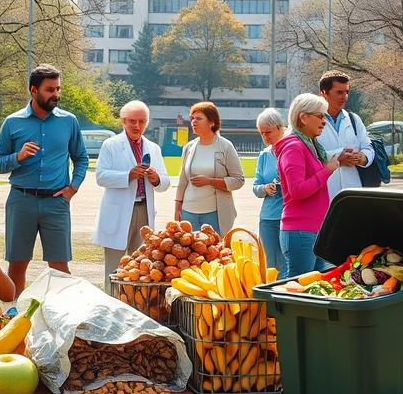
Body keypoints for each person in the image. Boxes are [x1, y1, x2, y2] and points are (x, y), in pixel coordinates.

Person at [0, 64, 89, 295]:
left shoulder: (69, 121)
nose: (55, 94)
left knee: (60, 265)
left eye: (57, 89)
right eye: (49, 89)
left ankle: (63, 317)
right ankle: (12, 316)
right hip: (21, 200)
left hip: (56, 203)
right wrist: (18, 156)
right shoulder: (13, 122)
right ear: (33, 90)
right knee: (17, 263)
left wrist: (72, 188)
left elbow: (81, 158)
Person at [92, 101, 171, 289]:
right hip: (118, 212)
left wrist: (155, 178)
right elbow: (101, 176)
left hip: (144, 210)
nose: (137, 126)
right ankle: (111, 304)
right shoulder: (110, 145)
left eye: (142, 121)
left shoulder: (153, 148)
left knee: (141, 265)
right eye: (132, 121)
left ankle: (135, 307)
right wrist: (128, 176)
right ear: (123, 121)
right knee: (114, 267)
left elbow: (166, 182)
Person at [272, 94, 340, 278]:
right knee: (300, 289)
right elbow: (297, 190)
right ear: (303, 117)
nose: (324, 121)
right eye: (320, 116)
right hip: (301, 230)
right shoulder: (294, 147)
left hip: (314, 230)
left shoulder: (310, 145)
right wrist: (327, 170)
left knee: (316, 287)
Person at [175, 101, 244, 235]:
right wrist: (177, 208)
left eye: (199, 119)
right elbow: (182, 180)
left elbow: (238, 180)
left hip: (214, 214)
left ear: (212, 122)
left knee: (214, 253)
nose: (194, 122)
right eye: (192, 118)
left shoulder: (225, 146)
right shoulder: (189, 147)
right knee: (189, 254)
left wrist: (210, 181)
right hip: (188, 213)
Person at [316, 70, 374, 199]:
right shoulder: (311, 119)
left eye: (347, 92)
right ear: (323, 93)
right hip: (323, 192)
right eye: (339, 92)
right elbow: (306, 154)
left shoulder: (354, 119)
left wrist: (362, 158)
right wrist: (338, 157)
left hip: (353, 191)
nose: (344, 97)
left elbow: (368, 147)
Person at [252, 108, 287, 273]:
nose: (265, 137)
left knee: (287, 264)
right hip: (268, 217)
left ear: (280, 128)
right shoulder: (264, 155)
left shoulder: (291, 150)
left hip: (288, 217)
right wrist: (265, 188)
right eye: (261, 133)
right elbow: (255, 186)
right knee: (271, 266)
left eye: (268, 132)